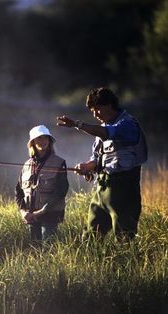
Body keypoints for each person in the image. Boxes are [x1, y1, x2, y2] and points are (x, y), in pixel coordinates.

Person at [57, 87, 148, 240]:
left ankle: (126, 263)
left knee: (125, 237)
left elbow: (108, 134)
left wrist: (77, 124)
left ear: (109, 105)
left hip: (124, 189)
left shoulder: (127, 124)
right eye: (92, 110)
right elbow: (96, 158)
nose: (95, 114)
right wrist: (87, 166)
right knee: (90, 236)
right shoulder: (101, 130)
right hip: (101, 189)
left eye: (97, 109)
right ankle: (92, 263)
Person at [15, 125, 69, 242]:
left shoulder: (59, 162)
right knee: (34, 250)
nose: (43, 141)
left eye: (46, 138)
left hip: (50, 215)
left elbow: (61, 191)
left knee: (48, 250)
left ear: (50, 141)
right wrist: (23, 211)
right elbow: (18, 192)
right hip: (31, 216)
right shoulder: (26, 165)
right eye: (39, 138)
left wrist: (41, 211)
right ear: (33, 142)